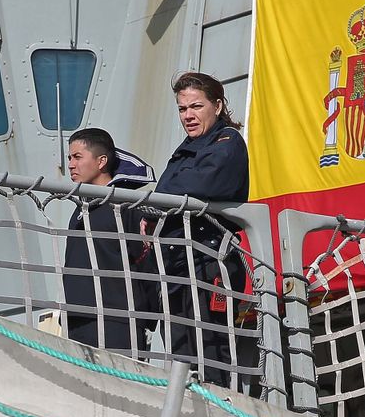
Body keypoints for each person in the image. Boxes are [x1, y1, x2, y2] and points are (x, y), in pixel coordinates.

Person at [154, 71, 250, 386]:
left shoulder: (228, 141)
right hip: (180, 265)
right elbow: (170, 188)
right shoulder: (187, 149)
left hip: (208, 263)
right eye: (182, 109)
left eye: (196, 106)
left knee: (212, 354)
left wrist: (162, 197)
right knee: (181, 354)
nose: (188, 116)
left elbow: (204, 182)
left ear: (218, 106)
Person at [59, 128, 159, 352]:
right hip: (77, 319)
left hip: (118, 321)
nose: (71, 165)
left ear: (101, 161)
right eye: (69, 158)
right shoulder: (81, 211)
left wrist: (145, 317)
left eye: (77, 157)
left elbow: (147, 263)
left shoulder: (126, 207)